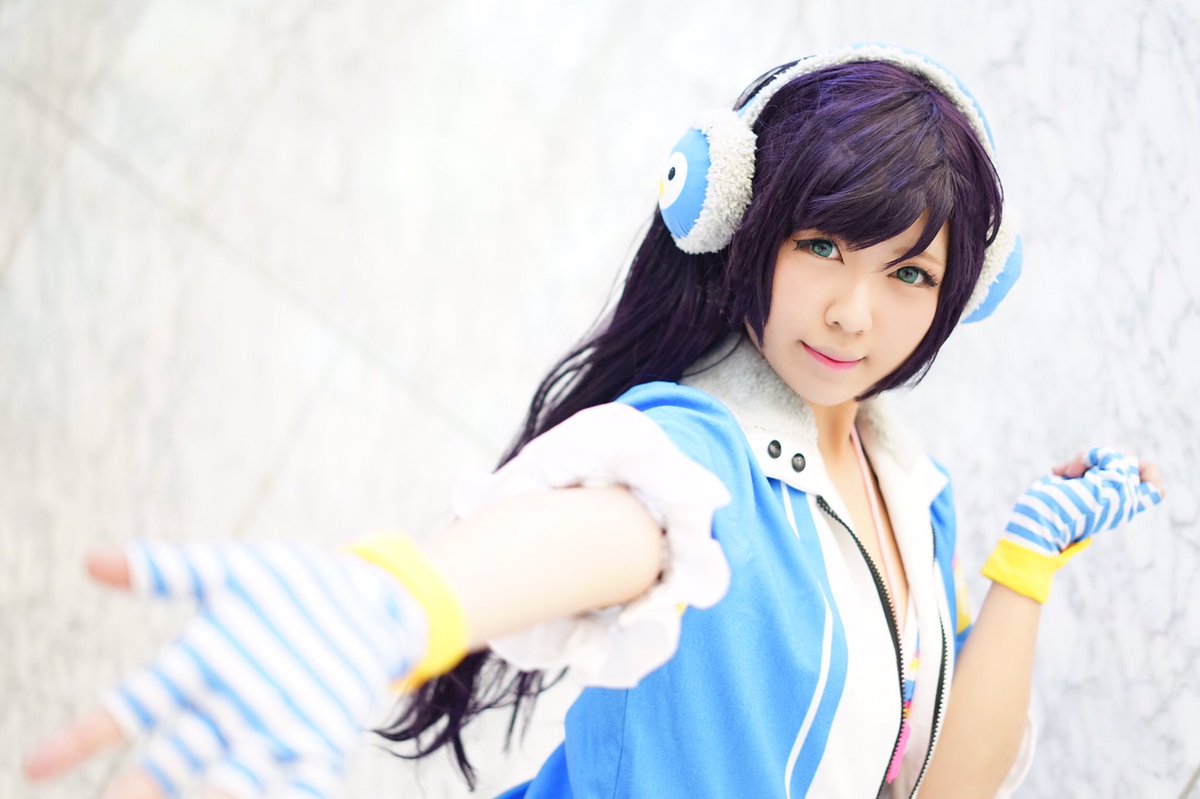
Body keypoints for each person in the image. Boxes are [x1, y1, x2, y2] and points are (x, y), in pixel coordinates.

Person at [22, 44, 1165, 799]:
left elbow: (939, 784)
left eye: (909, 274)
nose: (854, 313)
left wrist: (1025, 565)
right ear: (738, 219)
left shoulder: (912, 497)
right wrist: (393, 604)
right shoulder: (700, 453)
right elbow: (616, 522)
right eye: (822, 244)